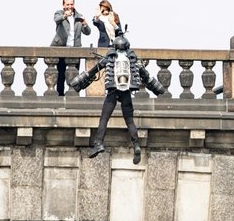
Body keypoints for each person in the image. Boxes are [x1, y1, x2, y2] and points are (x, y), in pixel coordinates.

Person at [69, 33, 165, 164]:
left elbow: (92, 72)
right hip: (126, 93)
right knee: (130, 121)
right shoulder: (132, 59)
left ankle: (99, 143)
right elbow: (147, 78)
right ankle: (136, 145)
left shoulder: (109, 58)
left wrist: (76, 84)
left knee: (104, 118)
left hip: (113, 92)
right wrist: (159, 90)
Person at [51, 0, 91, 95]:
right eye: (67, 4)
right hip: (61, 47)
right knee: (61, 74)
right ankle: (60, 95)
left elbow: (87, 32)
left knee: (75, 74)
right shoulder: (59, 13)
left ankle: (74, 94)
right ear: (63, 5)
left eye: (71, 4)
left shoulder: (79, 16)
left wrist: (85, 24)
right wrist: (65, 15)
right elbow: (57, 20)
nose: (70, 6)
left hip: (75, 48)